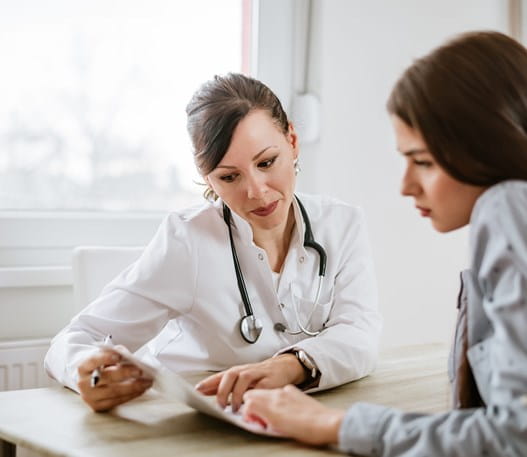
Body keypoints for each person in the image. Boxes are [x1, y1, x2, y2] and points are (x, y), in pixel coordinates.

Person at [241, 31, 527, 456]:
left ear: (490, 145)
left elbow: (513, 437)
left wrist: (335, 424)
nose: (406, 186)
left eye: (423, 162)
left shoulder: (506, 207)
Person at [44, 73, 382, 412]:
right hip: (190, 421)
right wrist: (84, 373)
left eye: (267, 162)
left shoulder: (342, 224)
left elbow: (360, 334)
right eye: (229, 176)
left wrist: (292, 365)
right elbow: (74, 340)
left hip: (289, 420)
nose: (256, 191)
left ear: (292, 141)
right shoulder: (187, 239)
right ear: (207, 177)